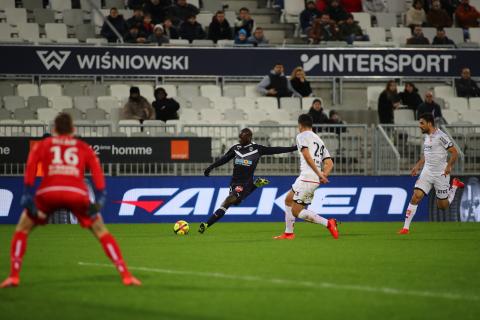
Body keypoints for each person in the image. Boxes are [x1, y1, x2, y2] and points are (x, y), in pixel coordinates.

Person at [0, 113, 141, 288]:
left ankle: (14, 276)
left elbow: (30, 166)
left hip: (48, 192)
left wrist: (27, 192)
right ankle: (126, 275)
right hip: (76, 192)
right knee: (101, 231)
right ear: (73, 129)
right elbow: (97, 171)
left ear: (54, 130)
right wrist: (100, 197)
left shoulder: (44, 144)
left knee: (22, 229)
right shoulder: (82, 147)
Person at [199, 128, 298, 233]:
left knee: (228, 201)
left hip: (245, 182)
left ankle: (206, 224)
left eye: (242, 138)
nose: (240, 140)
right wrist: (211, 167)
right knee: (236, 202)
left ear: (249, 138)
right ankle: (255, 185)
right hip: (234, 182)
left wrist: (294, 148)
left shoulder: (257, 149)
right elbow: (224, 159)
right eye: (240, 138)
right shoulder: (235, 148)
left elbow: (276, 149)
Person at [274, 114, 337, 240]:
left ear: (300, 125)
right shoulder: (319, 139)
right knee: (288, 199)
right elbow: (330, 163)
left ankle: (329, 223)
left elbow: (307, 156)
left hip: (308, 178)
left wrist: (319, 175)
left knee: (296, 211)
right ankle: (288, 233)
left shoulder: (301, 136)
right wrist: (324, 174)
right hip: (306, 177)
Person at [398, 113, 464, 234]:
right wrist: (418, 165)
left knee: (442, 206)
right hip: (427, 172)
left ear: (429, 123)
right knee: (416, 196)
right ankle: (405, 228)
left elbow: (454, 152)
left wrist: (449, 166)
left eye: (422, 123)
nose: (420, 126)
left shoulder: (441, 136)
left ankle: (454, 185)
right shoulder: (427, 137)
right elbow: (427, 154)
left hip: (441, 173)